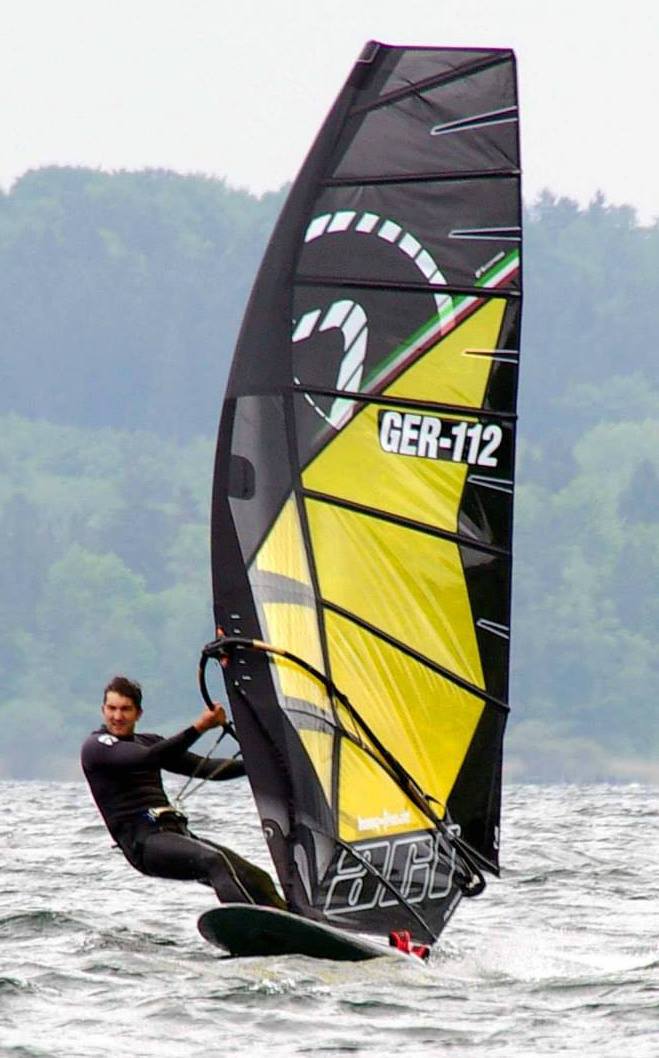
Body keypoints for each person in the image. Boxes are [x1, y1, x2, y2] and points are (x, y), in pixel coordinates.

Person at [80, 674, 286, 910]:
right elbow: (148, 758)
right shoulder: (97, 747)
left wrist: (260, 766)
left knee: (256, 878)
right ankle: (249, 926)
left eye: (125, 709)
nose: (117, 716)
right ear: (103, 710)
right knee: (214, 861)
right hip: (144, 843)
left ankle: (293, 921)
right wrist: (200, 727)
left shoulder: (148, 741)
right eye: (112, 708)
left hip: (175, 833)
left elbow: (206, 768)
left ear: (138, 713)